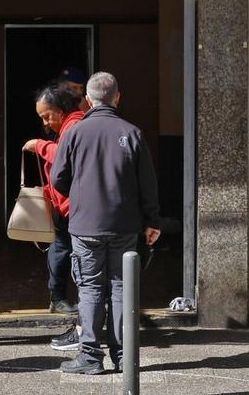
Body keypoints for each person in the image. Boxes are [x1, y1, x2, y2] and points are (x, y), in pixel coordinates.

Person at [51, 72, 160, 375]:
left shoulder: (75, 133)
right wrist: (152, 221)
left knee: (90, 288)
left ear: (88, 100)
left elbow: (57, 178)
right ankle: (124, 357)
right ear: (117, 97)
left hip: (85, 225)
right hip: (124, 224)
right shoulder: (133, 133)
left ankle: (90, 356)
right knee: (121, 288)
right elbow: (148, 184)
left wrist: (82, 190)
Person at [23, 84, 85, 348]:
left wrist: (39, 145)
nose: (45, 122)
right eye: (41, 118)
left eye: (47, 115)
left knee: (79, 264)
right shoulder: (67, 126)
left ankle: (82, 325)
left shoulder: (74, 125)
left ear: (60, 111)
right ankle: (58, 297)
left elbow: (62, 158)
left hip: (74, 209)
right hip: (64, 207)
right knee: (61, 251)